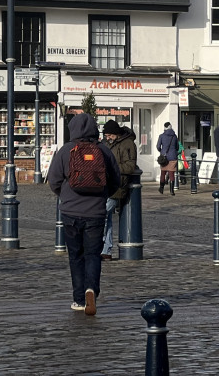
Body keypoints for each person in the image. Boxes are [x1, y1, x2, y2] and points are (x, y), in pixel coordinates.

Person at [47, 113, 120, 316]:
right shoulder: (103, 151)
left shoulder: (66, 151)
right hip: (96, 212)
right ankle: (91, 291)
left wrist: (66, 196)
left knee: (75, 256)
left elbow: (53, 180)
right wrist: (102, 196)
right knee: (93, 255)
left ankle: (79, 299)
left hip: (70, 212)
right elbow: (115, 180)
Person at [101, 121, 137, 261]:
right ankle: (106, 250)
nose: (107, 137)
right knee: (107, 218)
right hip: (106, 185)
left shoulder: (128, 144)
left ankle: (99, 246)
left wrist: (111, 169)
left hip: (118, 186)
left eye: (109, 135)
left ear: (116, 133)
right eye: (106, 135)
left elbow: (130, 166)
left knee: (101, 214)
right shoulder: (107, 143)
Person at [156, 122, 179, 195]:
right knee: (171, 174)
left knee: (163, 173)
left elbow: (158, 146)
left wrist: (162, 151)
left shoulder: (161, 136)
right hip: (173, 157)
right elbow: (177, 147)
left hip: (164, 158)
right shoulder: (174, 136)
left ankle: (161, 189)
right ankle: (172, 191)